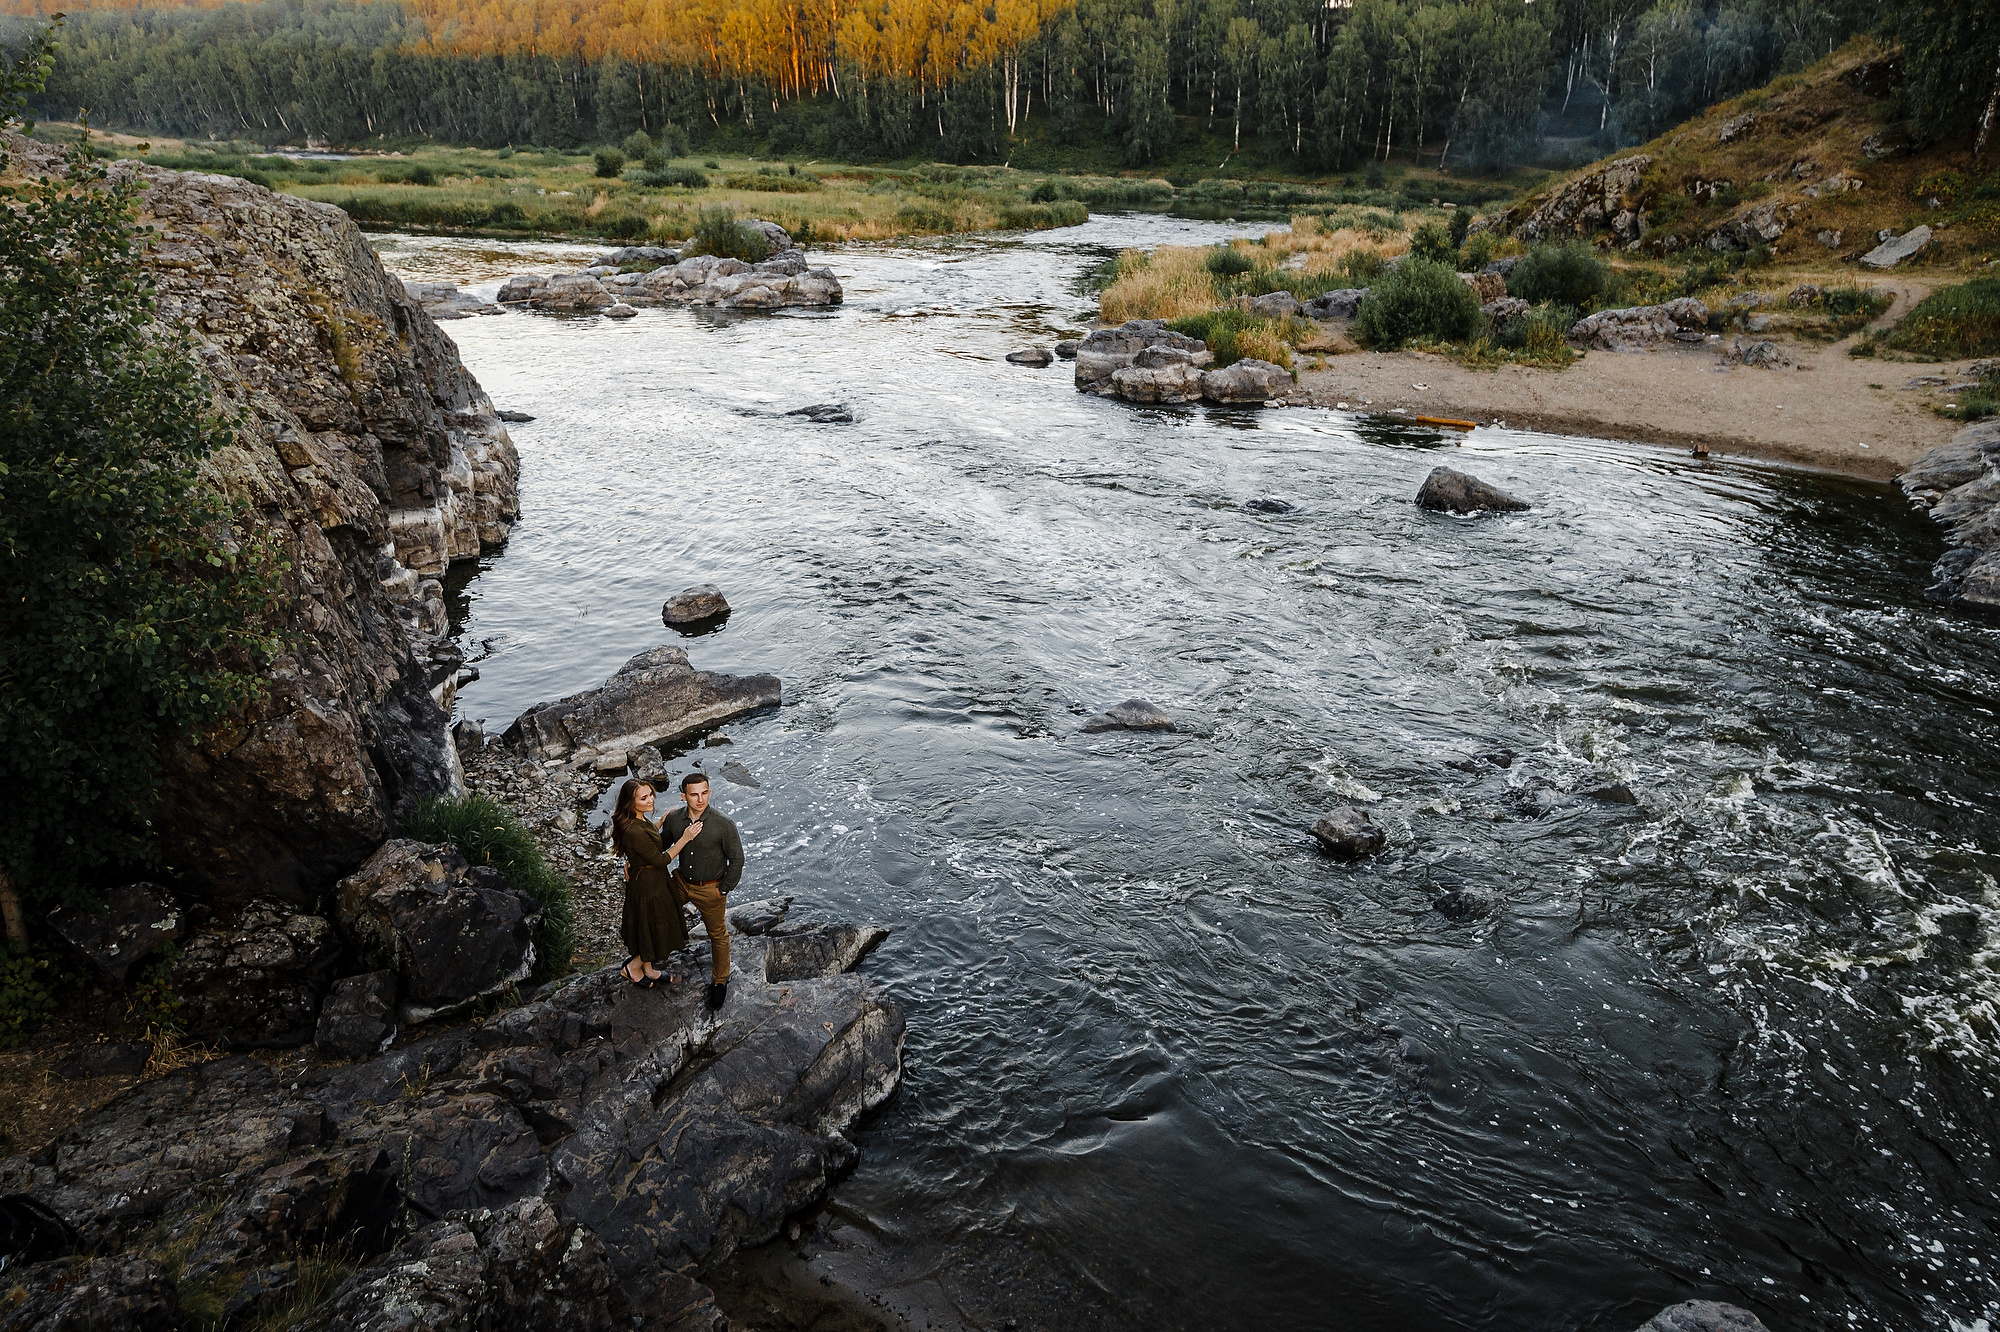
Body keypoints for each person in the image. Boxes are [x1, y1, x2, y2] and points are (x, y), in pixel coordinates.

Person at [659, 770, 743, 1010]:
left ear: (709, 792)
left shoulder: (723, 824)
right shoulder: (674, 819)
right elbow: (661, 846)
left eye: (704, 793)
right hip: (682, 882)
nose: (700, 799)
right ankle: (654, 955)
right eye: (694, 794)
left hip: (711, 889)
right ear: (684, 796)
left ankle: (719, 982)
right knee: (659, 910)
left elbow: (737, 860)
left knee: (718, 935)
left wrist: (723, 889)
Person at [610, 778, 702, 989]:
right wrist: (685, 838)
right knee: (653, 926)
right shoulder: (634, 830)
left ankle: (648, 968)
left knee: (650, 925)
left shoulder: (638, 820)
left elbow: (648, 841)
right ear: (630, 803)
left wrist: (660, 821)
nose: (650, 800)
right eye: (644, 798)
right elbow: (660, 859)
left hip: (653, 880)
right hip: (648, 886)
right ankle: (633, 967)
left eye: (651, 794)